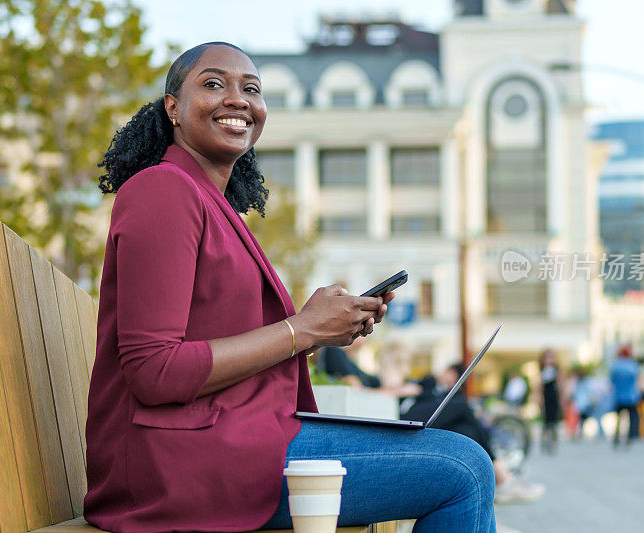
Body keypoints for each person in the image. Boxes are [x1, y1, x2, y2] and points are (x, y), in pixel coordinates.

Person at [84, 42, 496, 532]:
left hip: (226, 446)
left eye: (251, 89)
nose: (237, 99)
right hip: (182, 467)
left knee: (460, 459)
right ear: (173, 107)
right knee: (462, 469)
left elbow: (226, 350)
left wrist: (321, 331)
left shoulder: (208, 203)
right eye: (213, 83)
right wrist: (301, 329)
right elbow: (155, 370)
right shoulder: (163, 190)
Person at [401, 365, 545, 505]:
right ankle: (502, 475)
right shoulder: (425, 381)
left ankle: (489, 512)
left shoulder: (440, 388)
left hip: (417, 413)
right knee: (463, 407)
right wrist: (406, 389)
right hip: (403, 414)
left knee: (466, 430)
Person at [609, 344, 641, 447]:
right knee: (632, 418)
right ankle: (630, 437)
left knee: (618, 418)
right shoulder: (632, 365)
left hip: (618, 396)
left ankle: (617, 436)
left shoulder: (615, 365)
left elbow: (612, 381)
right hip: (631, 396)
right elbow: (636, 380)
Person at [538, 348, 562, 454]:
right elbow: (539, 387)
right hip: (545, 399)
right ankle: (546, 441)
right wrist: (538, 399)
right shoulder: (542, 371)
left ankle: (553, 441)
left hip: (554, 398)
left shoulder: (556, 371)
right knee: (546, 421)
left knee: (554, 421)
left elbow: (561, 385)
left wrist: (562, 399)